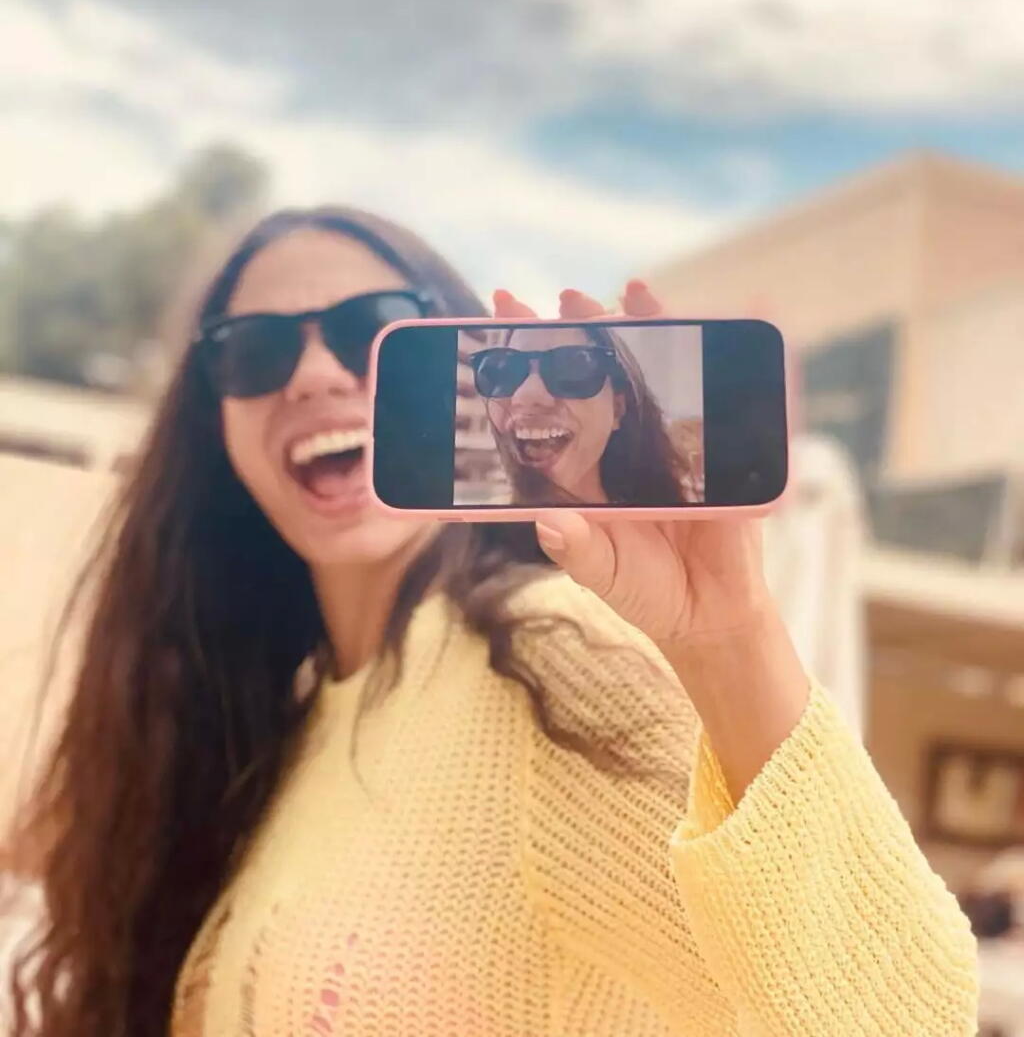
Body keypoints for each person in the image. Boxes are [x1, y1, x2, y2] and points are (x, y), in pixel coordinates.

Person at [3, 206, 978, 1036]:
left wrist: (730, 636)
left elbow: (898, 1019)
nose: (313, 373)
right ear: (214, 423)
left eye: (372, 328)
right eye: (252, 351)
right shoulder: (279, 717)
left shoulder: (549, 658)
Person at [472, 323, 701, 506]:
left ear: (617, 410)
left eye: (573, 368)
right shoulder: (474, 533)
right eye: (500, 371)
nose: (526, 395)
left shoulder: (671, 530)